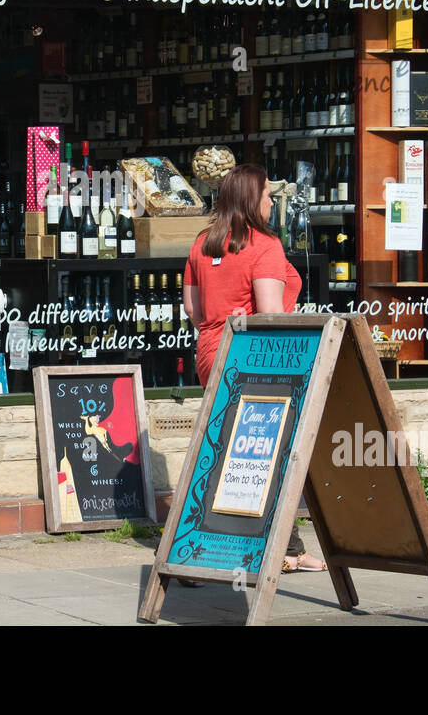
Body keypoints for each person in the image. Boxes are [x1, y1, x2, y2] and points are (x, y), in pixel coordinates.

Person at [182, 163, 326, 573]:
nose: (270, 203)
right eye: (266, 196)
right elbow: (269, 316)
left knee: (231, 450)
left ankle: (280, 548)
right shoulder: (264, 246)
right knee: (268, 451)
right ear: (251, 199)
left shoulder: (202, 243)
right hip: (255, 357)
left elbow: (194, 311)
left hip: (211, 353)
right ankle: (274, 549)